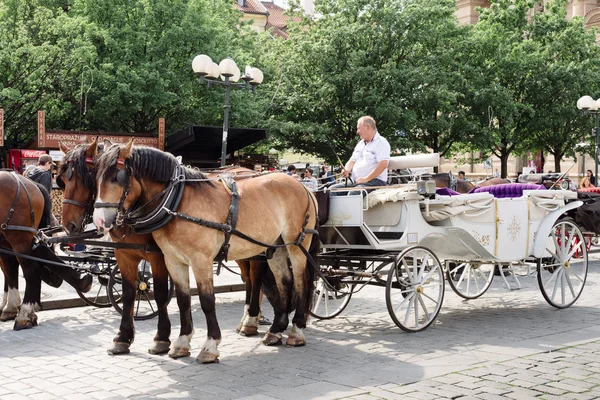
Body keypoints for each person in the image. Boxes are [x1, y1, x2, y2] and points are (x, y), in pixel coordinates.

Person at [330, 116, 390, 196]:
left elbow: (383, 164)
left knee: (353, 194)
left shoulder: (381, 142)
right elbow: (352, 160)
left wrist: (366, 179)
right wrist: (347, 170)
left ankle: (345, 208)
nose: (357, 131)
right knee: (331, 190)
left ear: (367, 127)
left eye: (359, 128)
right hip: (357, 182)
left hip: (375, 181)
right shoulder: (360, 144)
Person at [25, 154, 58, 227]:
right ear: (47, 163)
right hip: (41, 207)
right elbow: (45, 193)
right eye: (50, 165)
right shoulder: (45, 174)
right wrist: (50, 213)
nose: (50, 167)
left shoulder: (30, 172)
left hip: (29, 205)